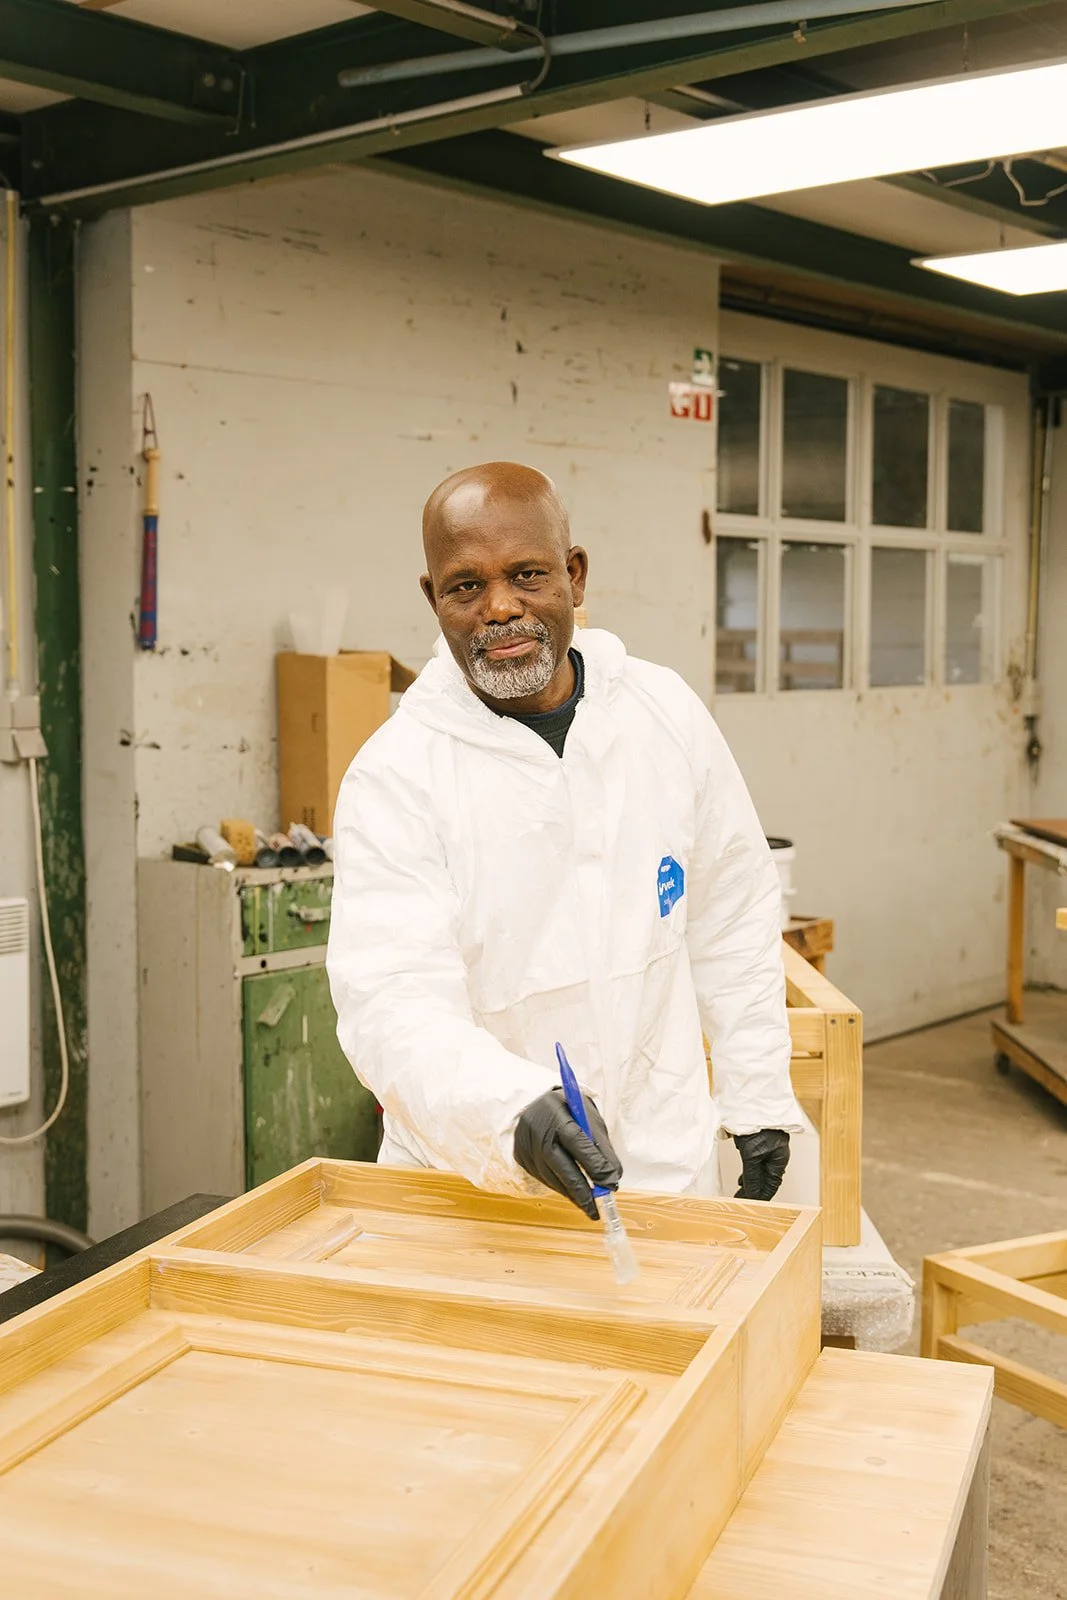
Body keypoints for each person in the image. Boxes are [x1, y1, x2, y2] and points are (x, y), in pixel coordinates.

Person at [327, 462, 801, 1219]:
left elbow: (731, 914)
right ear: (433, 598)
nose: (499, 608)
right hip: (477, 1184)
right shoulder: (396, 775)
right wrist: (508, 1110)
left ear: (574, 576)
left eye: (527, 574)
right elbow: (390, 1002)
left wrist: (757, 1091)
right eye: (465, 586)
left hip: (661, 1169)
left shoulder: (661, 714)